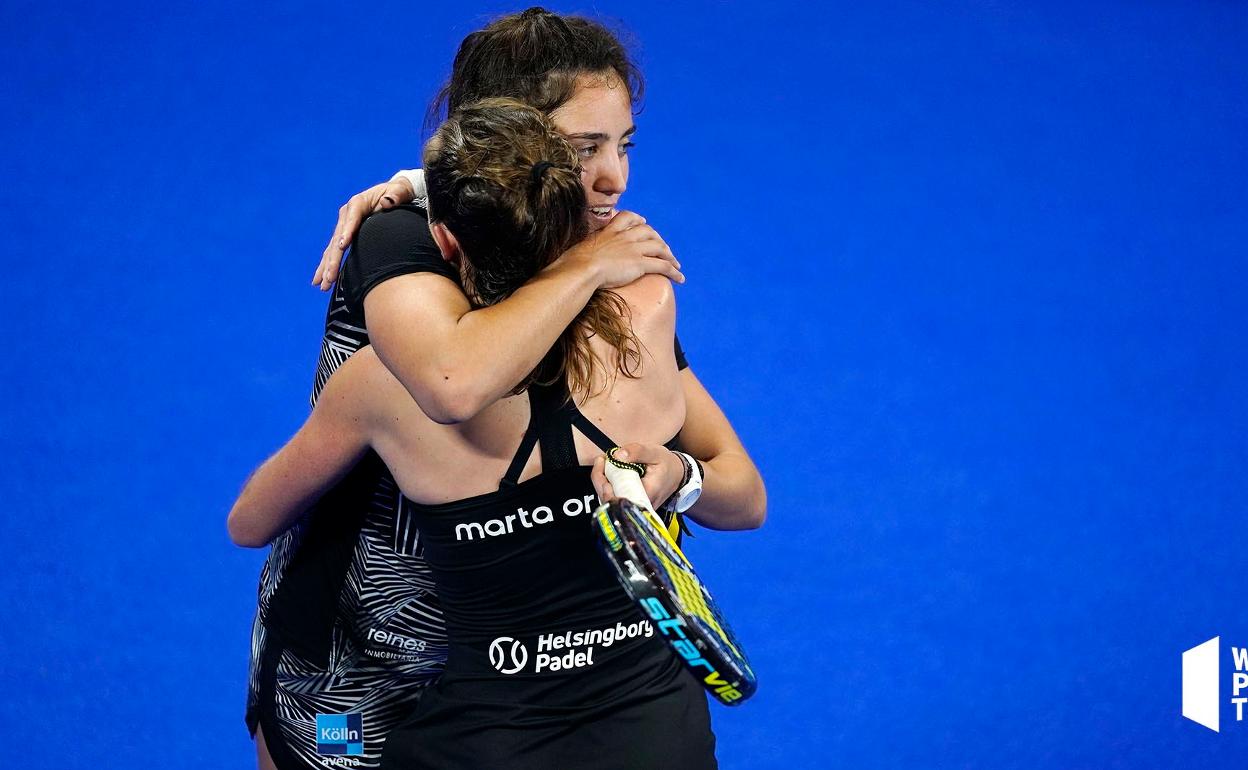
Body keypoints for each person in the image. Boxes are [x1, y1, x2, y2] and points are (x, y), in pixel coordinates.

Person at [242, 8, 765, 769]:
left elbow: (738, 486)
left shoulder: (606, 270)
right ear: (507, 138)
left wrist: (682, 475)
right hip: (363, 651)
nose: (613, 177)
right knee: (318, 747)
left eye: (623, 144)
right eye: (583, 148)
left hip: (509, 673)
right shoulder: (401, 240)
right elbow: (454, 381)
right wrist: (580, 266)